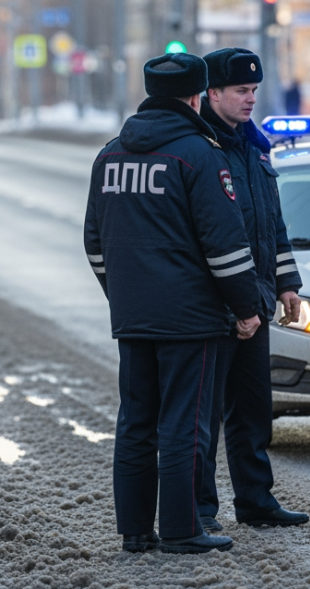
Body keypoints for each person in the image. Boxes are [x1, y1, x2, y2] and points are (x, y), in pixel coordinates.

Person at [84, 53, 264, 555]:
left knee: (136, 422)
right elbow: (225, 247)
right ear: (195, 96)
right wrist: (246, 307)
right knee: (184, 422)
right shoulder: (200, 154)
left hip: (134, 317)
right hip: (192, 320)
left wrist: (121, 293)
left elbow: (95, 243)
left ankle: (136, 531)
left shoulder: (110, 155)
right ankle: (184, 529)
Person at [196, 47, 309, 531]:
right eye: (241, 91)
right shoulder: (201, 148)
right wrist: (236, 300)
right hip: (212, 303)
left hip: (257, 299)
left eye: (254, 91)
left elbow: (271, 221)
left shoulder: (255, 146)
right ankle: (200, 509)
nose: (250, 100)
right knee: (202, 417)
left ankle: (256, 501)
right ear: (212, 93)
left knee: (252, 410)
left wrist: (286, 282)